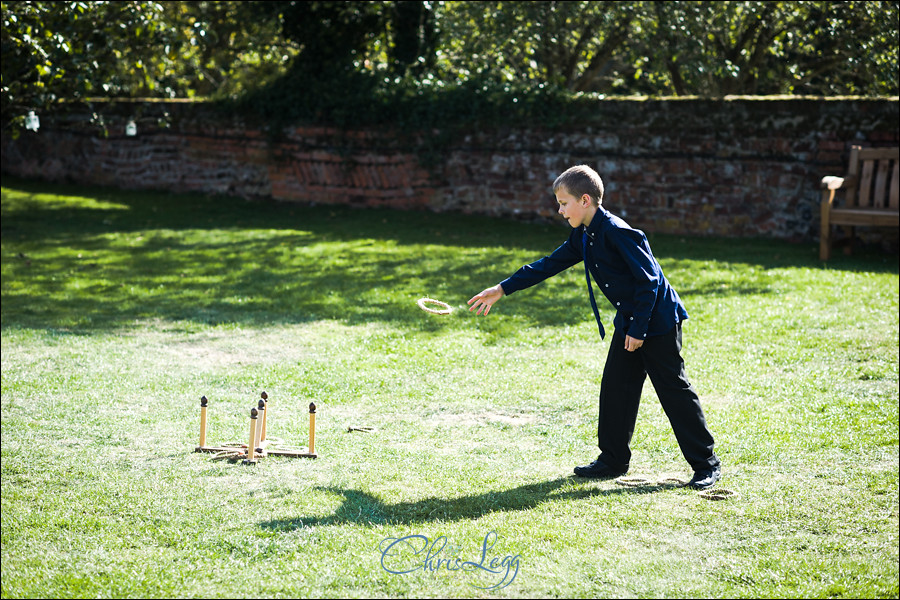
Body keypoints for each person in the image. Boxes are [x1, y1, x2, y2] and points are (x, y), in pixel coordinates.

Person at [467, 165, 721, 489]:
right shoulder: (584, 234)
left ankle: (706, 465)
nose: (559, 211)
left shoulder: (618, 231)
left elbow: (650, 281)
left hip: (657, 321)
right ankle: (613, 461)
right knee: (616, 388)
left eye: (563, 203)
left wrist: (639, 330)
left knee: (673, 391)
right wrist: (502, 289)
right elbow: (549, 264)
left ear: (585, 200)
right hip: (632, 319)